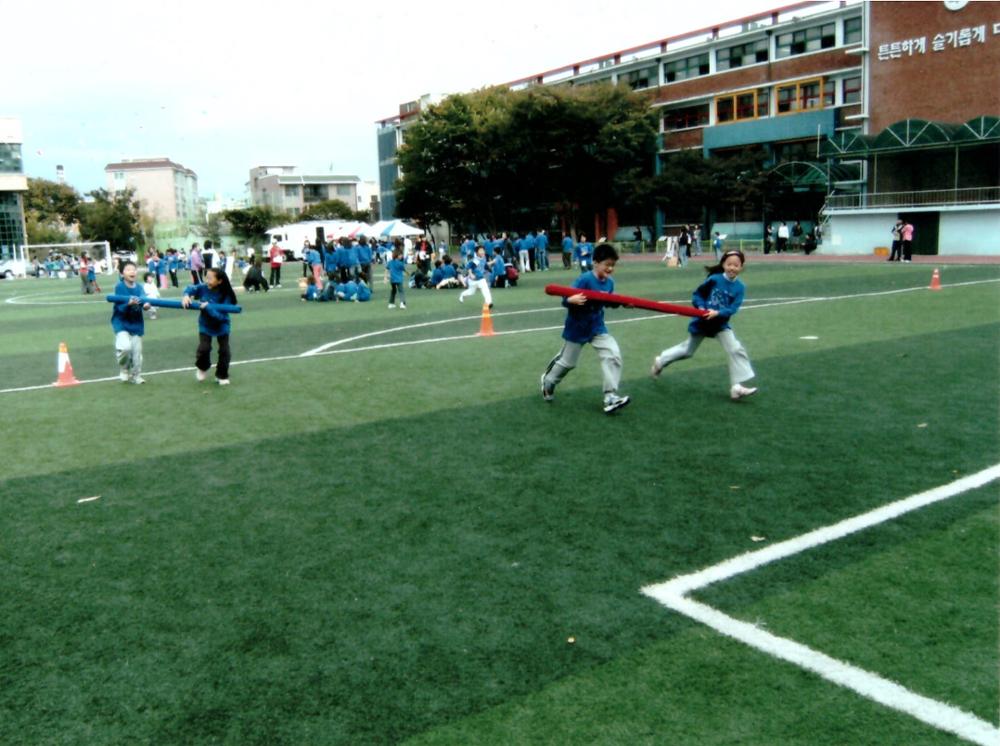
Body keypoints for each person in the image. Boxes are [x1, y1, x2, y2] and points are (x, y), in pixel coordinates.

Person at [650, 249, 757, 401]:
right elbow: (697, 295)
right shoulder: (714, 279)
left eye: (736, 265)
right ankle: (661, 361)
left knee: (735, 349)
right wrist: (701, 308)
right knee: (687, 351)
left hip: (720, 324)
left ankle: (736, 387)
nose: (732, 268)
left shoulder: (740, 287)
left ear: (741, 267)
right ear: (723, 264)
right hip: (703, 321)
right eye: (729, 264)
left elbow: (733, 309)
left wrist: (718, 313)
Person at [540, 243, 630, 415]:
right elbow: (567, 297)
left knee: (612, 354)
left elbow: (608, 302)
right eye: (607, 264)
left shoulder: (609, 283)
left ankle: (610, 396)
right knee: (568, 363)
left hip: (597, 326)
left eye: (613, 265)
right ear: (595, 263)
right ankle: (548, 381)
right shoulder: (585, 279)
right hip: (577, 327)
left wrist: (622, 304)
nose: (610, 268)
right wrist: (570, 300)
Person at [182, 267, 237, 385]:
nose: (207, 281)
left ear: (220, 281)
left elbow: (221, 317)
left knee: (224, 351)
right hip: (205, 325)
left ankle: (221, 375)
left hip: (222, 325)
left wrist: (209, 308)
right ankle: (202, 367)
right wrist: (186, 295)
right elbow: (191, 288)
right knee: (204, 348)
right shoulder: (203, 288)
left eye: (210, 278)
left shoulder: (226, 295)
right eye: (206, 277)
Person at [110, 261, 151, 384]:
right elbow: (118, 306)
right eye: (128, 269)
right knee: (125, 348)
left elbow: (144, 300)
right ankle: (124, 369)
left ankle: (136, 375)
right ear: (122, 274)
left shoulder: (139, 287)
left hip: (136, 324)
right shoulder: (119, 287)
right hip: (121, 322)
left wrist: (146, 305)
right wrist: (128, 303)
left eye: (134, 269)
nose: (132, 271)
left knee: (137, 353)